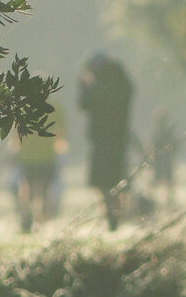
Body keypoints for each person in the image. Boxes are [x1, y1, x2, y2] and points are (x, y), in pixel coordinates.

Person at [76, 51, 136, 230]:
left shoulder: (98, 88)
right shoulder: (122, 85)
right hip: (118, 139)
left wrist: (84, 86)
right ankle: (115, 214)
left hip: (101, 140)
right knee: (116, 179)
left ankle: (111, 214)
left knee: (101, 181)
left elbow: (83, 104)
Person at [7, 102, 66, 233]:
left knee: (26, 188)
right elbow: (61, 134)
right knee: (43, 190)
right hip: (47, 156)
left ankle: (27, 217)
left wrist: (13, 151)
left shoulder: (22, 107)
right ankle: (38, 220)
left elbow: (15, 134)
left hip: (27, 156)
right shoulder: (55, 108)